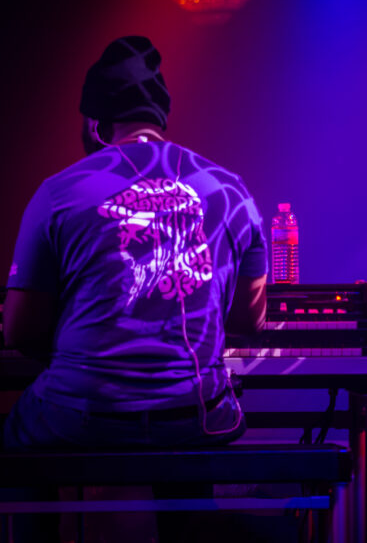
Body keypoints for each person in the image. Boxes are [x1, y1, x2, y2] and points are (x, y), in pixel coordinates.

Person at [3, 35, 267, 452]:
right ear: (159, 117)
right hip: (199, 415)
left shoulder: (58, 191)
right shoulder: (231, 191)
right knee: (187, 428)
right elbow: (248, 321)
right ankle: (187, 517)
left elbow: (19, 331)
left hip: (84, 418)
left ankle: (47, 517)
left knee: (16, 439)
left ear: (95, 124)